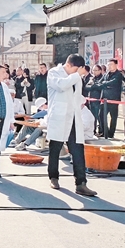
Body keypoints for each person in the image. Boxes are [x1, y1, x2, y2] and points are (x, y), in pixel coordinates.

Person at [46, 54, 94, 197]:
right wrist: (76, 75)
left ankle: (81, 183)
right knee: (55, 150)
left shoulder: (76, 77)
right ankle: (53, 177)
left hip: (73, 118)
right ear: (68, 65)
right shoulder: (54, 73)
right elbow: (61, 86)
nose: (77, 73)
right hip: (59, 117)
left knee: (78, 150)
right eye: (76, 70)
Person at [98, 59, 124, 139]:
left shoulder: (118, 75)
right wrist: (104, 84)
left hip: (114, 99)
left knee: (113, 117)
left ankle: (111, 133)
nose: (109, 66)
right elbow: (100, 82)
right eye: (108, 65)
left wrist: (104, 84)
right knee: (101, 115)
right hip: (105, 98)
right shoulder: (106, 74)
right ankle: (105, 131)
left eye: (111, 64)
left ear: (116, 65)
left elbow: (113, 83)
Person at [83, 65, 104, 137]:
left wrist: (93, 86)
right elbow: (87, 87)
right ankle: (93, 130)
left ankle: (101, 131)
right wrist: (93, 86)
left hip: (98, 99)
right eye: (93, 70)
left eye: (96, 70)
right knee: (92, 116)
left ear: (100, 70)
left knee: (99, 116)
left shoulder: (102, 78)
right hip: (91, 99)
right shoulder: (92, 78)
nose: (94, 72)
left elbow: (99, 87)